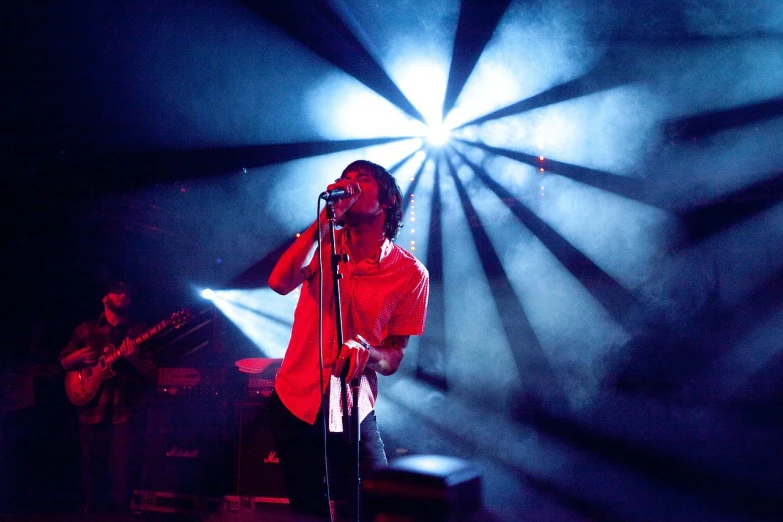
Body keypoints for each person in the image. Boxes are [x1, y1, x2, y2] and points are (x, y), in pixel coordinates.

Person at [267, 160, 430, 521]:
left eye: (362, 179)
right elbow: (279, 283)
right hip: (295, 399)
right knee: (308, 510)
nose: (349, 183)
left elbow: (394, 358)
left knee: (375, 505)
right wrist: (321, 225)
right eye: (346, 177)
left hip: (351, 406)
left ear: (386, 201)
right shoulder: (323, 246)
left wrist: (368, 352)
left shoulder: (410, 274)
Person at [58, 282, 156, 514]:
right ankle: (92, 510)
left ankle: (120, 513)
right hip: (91, 405)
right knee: (91, 466)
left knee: (122, 468)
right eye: (118, 291)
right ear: (104, 298)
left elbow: (152, 372)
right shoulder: (85, 329)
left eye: (128, 293)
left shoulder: (138, 330)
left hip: (125, 408)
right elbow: (62, 361)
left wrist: (134, 360)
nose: (125, 295)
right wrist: (75, 359)